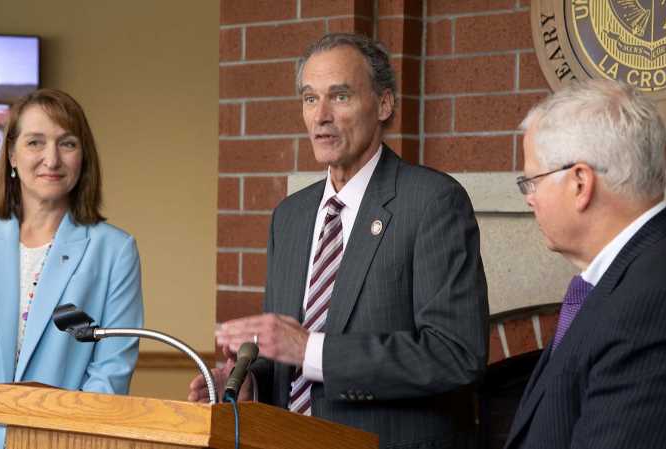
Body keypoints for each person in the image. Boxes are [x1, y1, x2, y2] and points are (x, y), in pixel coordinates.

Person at [190, 33, 489, 448]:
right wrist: (247, 386)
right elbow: (287, 356)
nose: (321, 116)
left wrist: (312, 350)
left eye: (340, 96)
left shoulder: (432, 202)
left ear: (384, 104)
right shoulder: (289, 217)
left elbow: (454, 354)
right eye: (310, 99)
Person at [0, 88, 144, 449]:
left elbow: (109, 374)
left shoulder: (114, 251)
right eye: (35, 142)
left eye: (67, 144)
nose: (51, 159)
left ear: (83, 157)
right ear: (11, 154)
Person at [504, 79, 666, 449]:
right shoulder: (638, 272)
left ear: (580, 183)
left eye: (531, 181)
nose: (529, 199)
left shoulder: (661, 302)